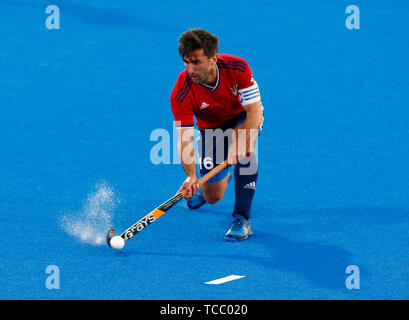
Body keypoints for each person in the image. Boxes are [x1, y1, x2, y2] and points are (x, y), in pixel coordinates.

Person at [170, 29, 264, 241]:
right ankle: (220, 181)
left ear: (213, 59)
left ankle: (242, 218)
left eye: (196, 62)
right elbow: (184, 140)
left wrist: (239, 144)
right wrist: (191, 176)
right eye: (186, 62)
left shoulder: (237, 67)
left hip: (243, 117)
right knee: (213, 197)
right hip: (212, 129)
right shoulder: (181, 91)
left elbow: (254, 112)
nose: (190, 69)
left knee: (246, 155)